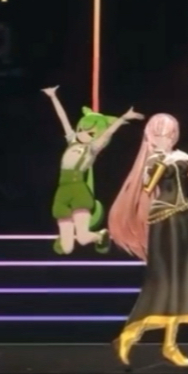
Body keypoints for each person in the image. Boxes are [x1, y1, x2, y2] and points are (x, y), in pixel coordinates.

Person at [108, 114, 188, 368]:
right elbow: (148, 186)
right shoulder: (153, 160)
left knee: (183, 280)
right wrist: (165, 160)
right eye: (161, 134)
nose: (167, 138)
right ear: (151, 137)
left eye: (170, 133)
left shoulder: (181, 156)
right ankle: (131, 334)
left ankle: (170, 345)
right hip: (163, 221)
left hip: (185, 219)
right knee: (163, 280)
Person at [40, 87, 141, 255]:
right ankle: (73, 237)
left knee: (83, 238)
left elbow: (107, 133)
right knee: (66, 248)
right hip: (62, 191)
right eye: (82, 129)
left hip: (78, 189)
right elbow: (63, 119)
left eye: (90, 132)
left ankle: (100, 235)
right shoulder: (72, 140)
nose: (83, 133)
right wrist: (53, 97)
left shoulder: (92, 148)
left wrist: (122, 118)